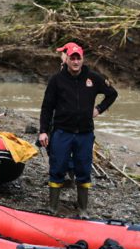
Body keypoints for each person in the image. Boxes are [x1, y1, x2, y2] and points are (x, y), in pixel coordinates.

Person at [38, 41, 118, 218]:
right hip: (62, 132)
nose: (75, 62)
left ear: (82, 59)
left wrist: (98, 109)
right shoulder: (56, 80)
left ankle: (82, 210)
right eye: (72, 58)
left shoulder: (93, 78)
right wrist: (43, 131)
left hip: (84, 134)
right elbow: (47, 107)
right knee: (57, 168)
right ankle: (53, 208)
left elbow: (112, 94)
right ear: (66, 59)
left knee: (83, 170)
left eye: (78, 58)